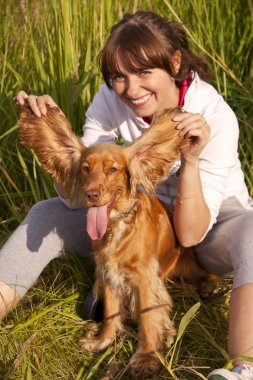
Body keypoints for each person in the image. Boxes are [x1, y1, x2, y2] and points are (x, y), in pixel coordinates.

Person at [1, 10, 253, 380]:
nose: (131, 89)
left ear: (174, 62)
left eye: (144, 72)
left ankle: (244, 367)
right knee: (45, 213)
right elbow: (81, 191)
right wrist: (53, 126)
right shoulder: (110, 99)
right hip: (130, 215)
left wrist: (192, 159)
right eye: (119, 76)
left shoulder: (214, 113)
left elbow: (190, 234)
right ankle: (114, 294)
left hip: (207, 226)